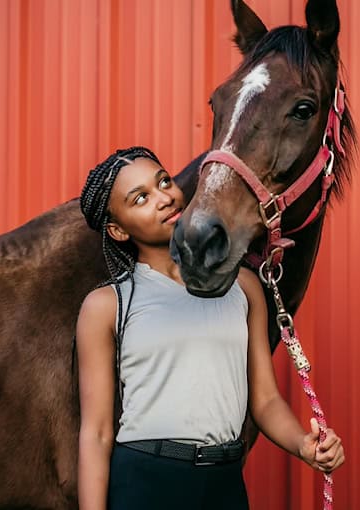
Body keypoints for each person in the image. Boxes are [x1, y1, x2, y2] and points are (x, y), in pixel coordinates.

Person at [75, 147, 345, 509]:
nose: (163, 199)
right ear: (118, 229)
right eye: (141, 198)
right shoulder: (107, 305)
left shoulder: (244, 287)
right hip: (145, 481)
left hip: (224, 481)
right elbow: (96, 433)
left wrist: (304, 445)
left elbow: (264, 400)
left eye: (164, 182)